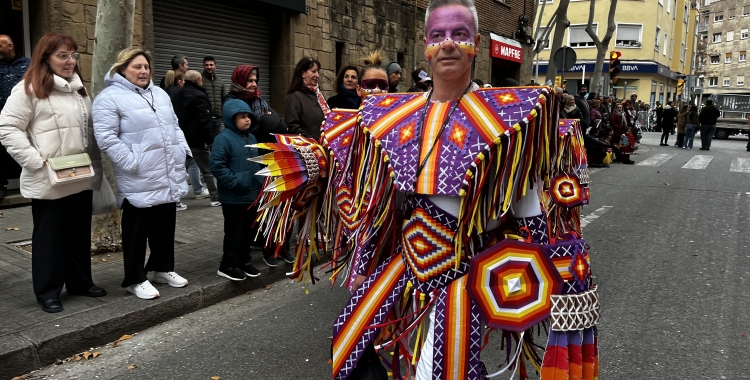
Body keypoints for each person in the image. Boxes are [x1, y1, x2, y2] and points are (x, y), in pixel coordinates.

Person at [252, 1, 600, 379]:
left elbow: (531, 215)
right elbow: (366, 188)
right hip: (402, 268)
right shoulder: (389, 115)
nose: (448, 44)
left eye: (459, 34)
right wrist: (314, 169)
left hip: (462, 276)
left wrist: (562, 278)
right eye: (438, 36)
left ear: (477, 43)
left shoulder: (510, 120)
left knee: (443, 370)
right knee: (351, 347)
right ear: (425, 45)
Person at [0, 33, 106, 313]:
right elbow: (8, 129)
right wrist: (36, 162)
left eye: (73, 55)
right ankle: (47, 290)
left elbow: (89, 133)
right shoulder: (28, 89)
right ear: (45, 57)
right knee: (50, 237)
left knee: (79, 232)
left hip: (80, 174)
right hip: (49, 177)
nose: (70, 61)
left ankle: (80, 282)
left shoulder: (80, 90)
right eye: (62, 55)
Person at [93, 47, 190, 300]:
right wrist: (131, 161)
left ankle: (162, 268)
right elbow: (105, 137)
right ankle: (134, 279)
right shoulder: (109, 97)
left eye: (146, 66)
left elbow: (175, 126)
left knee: (165, 223)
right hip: (138, 174)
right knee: (137, 229)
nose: (143, 71)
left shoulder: (159, 93)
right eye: (137, 66)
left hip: (167, 170)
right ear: (122, 69)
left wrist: (183, 151)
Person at [210, 99, 266, 281]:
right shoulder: (223, 139)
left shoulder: (251, 138)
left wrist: (259, 181)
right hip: (234, 197)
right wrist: (236, 182)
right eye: (242, 117)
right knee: (234, 232)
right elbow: (217, 166)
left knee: (248, 232)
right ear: (230, 118)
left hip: (252, 194)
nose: (247, 120)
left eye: (248, 116)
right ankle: (227, 265)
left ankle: (244, 261)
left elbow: (256, 163)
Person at [172, 70, 220, 207]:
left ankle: (176, 202)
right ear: (198, 79)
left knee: (178, 171)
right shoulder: (199, 95)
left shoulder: (176, 95)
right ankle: (215, 198)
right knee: (207, 170)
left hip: (181, 139)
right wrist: (209, 139)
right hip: (197, 140)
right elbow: (204, 120)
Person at [0, 35, 30, 199]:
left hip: (23, 117)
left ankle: (25, 183)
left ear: (10, 46)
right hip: (1, 118)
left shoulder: (28, 65)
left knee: (23, 149)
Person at [284, 57, 328, 140]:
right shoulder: (295, 97)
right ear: (303, 73)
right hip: (308, 148)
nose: (317, 75)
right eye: (313, 71)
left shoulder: (319, 96)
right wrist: (312, 140)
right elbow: (292, 126)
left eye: (318, 72)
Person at [200, 56, 224, 123]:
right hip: (204, 117)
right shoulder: (199, 80)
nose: (209, 67)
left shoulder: (220, 82)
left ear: (215, 66)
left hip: (218, 118)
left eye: (211, 65)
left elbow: (224, 99)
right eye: (206, 65)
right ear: (203, 66)